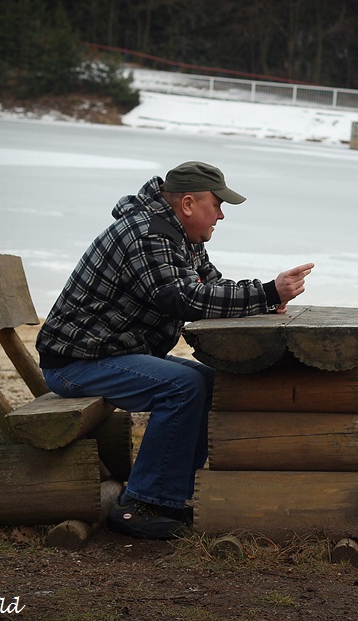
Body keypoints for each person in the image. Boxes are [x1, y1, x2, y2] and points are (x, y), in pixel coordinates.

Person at [36, 161, 314, 539]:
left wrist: (266, 301)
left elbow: (210, 285)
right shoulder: (147, 234)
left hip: (113, 352)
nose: (220, 215)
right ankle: (139, 506)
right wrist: (266, 291)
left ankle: (170, 498)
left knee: (212, 381)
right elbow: (181, 297)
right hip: (77, 361)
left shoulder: (180, 237)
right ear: (186, 204)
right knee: (183, 387)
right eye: (216, 205)